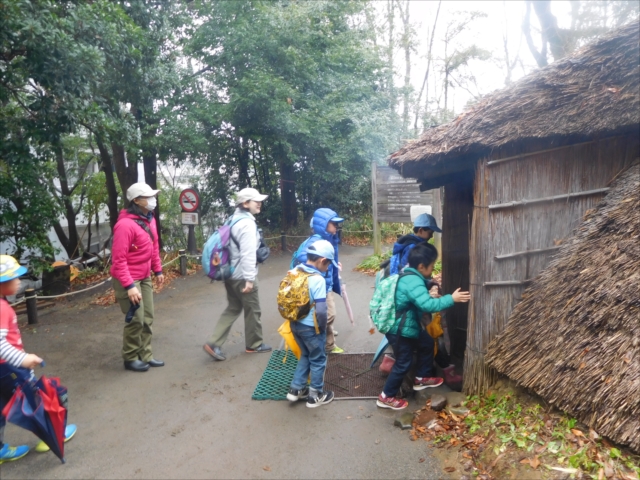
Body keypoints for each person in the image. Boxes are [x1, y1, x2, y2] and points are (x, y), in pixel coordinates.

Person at [0, 255, 77, 463]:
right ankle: (51, 436)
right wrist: (23, 359)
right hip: (10, 368)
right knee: (34, 400)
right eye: (14, 278)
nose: (19, 282)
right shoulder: (1, 309)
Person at [377, 244, 470, 410]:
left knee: (427, 343)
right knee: (403, 363)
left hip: (407, 325)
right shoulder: (413, 281)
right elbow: (426, 305)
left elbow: (415, 292)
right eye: (432, 266)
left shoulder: (410, 275)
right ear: (421, 266)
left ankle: (421, 378)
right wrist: (451, 298)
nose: (433, 269)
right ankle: (386, 396)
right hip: (400, 330)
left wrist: (428, 284)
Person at [203, 188, 272, 361]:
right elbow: (248, 254)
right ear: (245, 203)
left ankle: (213, 342)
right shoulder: (247, 224)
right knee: (253, 310)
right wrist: (249, 280)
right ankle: (254, 344)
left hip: (230, 273)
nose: (259, 203)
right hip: (242, 275)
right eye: (255, 200)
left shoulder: (233, 219)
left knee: (233, 307)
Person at [111, 182, 165, 372]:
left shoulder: (149, 219)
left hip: (144, 276)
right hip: (129, 279)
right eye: (148, 197)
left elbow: (154, 247)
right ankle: (131, 356)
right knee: (136, 319)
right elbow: (118, 260)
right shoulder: (124, 226)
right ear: (136, 200)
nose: (153, 200)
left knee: (148, 317)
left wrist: (157, 270)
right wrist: (129, 285)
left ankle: (146, 355)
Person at [286, 240, 336, 408]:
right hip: (311, 328)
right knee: (318, 359)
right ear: (322, 261)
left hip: (295, 325)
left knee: (306, 355)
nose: (328, 269)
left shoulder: (293, 272)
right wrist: (322, 328)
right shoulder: (317, 279)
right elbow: (321, 310)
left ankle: (296, 389)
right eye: (328, 264)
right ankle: (315, 395)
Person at [292, 208, 344, 354]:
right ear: (325, 225)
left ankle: (328, 343)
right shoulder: (317, 241)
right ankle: (319, 342)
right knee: (328, 314)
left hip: (326, 283)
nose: (336, 228)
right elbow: (303, 258)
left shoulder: (328, 238)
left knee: (327, 315)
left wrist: (333, 263)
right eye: (334, 224)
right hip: (320, 285)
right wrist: (319, 266)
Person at [383, 213, 441, 277]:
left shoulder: (410, 240)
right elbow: (405, 267)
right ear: (421, 230)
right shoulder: (412, 247)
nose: (431, 236)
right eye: (430, 233)